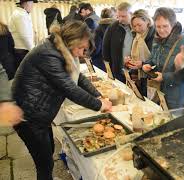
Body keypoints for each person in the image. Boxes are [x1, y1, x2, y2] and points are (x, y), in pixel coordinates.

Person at [12, 21, 112, 180]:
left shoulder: (59, 48)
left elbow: (78, 77)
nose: (81, 53)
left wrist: (98, 95)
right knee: (44, 164)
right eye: (80, 48)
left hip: (39, 113)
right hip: (28, 116)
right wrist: (99, 105)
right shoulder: (48, 54)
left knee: (48, 151)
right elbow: (69, 88)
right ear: (71, 41)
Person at [142, 7, 184, 108]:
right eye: (158, 27)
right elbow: (153, 58)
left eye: (165, 26)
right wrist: (147, 64)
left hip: (176, 97)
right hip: (159, 92)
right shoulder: (157, 39)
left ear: (173, 24)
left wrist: (164, 77)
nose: (161, 30)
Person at [124, 9, 155, 96]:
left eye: (139, 25)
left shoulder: (154, 37)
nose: (137, 29)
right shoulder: (136, 36)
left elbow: (157, 62)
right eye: (134, 26)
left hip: (150, 80)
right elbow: (134, 56)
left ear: (148, 22)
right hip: (138, 78)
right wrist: (128, 62)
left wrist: (143, 64)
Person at [102, 2, 133, 82]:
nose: (120, 19)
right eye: (118, 16)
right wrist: (109, 70)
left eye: (123, 16)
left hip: (134, 72)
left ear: (131, 14)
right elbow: (105, 48)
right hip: (117, 71)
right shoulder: (112, 27)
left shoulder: (137, 27)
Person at [8, 0, 37, 70]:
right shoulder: (20, 15)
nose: (32, 6)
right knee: (27, 74)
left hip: (23, 50)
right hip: (23, 51)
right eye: (32, 3)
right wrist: (34, 51)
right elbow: (25, 36)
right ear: (26, 3)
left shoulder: (21, 13)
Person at [91, 8, 116, 72]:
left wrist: (90, 56)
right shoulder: (117, 27)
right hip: (114, 61)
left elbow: (97, 47)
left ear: (101, 16)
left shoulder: (98, 28)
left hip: (100, 61)